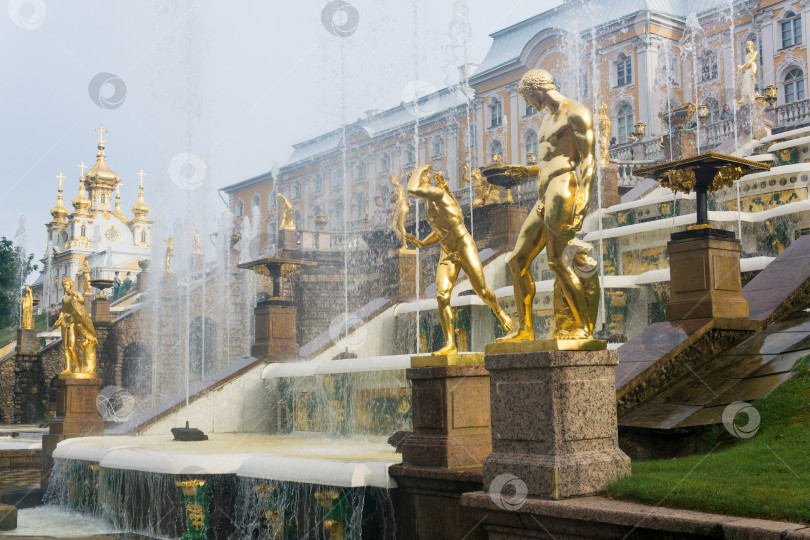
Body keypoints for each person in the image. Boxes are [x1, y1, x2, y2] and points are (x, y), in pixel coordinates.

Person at [494, 68, 598, 342]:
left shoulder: (576, 112)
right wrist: (525, 171)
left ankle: (583, 327)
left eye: (528, 98)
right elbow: (550, 159)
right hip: (543, 195)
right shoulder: (547, 120)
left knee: (558, 261)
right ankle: (524, 330)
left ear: (537, 89)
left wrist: (584, 197)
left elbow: (588, 159)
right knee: (518, 261)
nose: (529, 104)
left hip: (563, 190)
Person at [403, 164, 512, 355]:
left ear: (424, 180)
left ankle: (499, 311)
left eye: (417, 178)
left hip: (464, 246)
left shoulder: (437, 193)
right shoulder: (429, 206)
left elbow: (412, 190)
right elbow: (440, 232)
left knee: (482, 291)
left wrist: (420, 170)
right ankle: (450, 345)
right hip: (447, 252)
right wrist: (421, 243)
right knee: (442, 296)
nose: (415, 184)